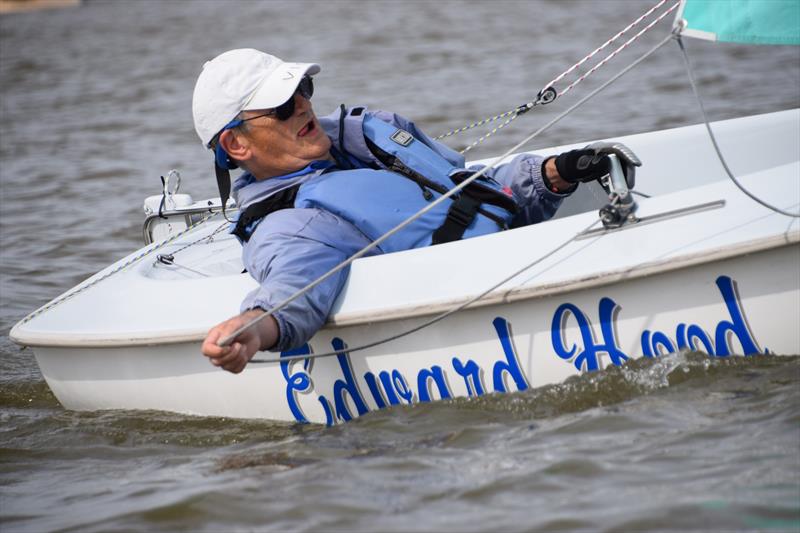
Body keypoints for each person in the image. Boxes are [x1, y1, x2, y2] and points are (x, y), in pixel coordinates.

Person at [194, 48, 639, 374]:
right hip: (489, 309)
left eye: (303, 89)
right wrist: (254, 328)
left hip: (522, 264)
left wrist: (552, 173)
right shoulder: (289, 226)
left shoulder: (368, 141)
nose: (304, 105)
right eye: (283, 106)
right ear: (237, 144)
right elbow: (294, 286)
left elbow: (471, 191)